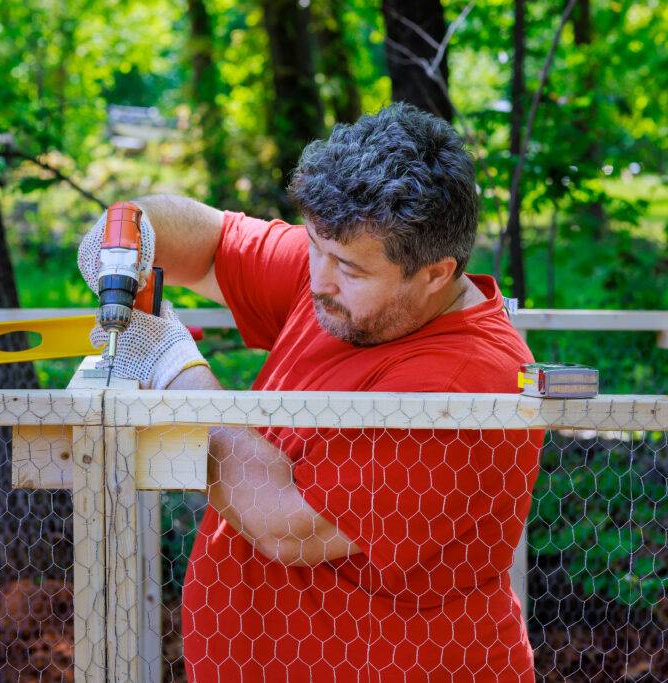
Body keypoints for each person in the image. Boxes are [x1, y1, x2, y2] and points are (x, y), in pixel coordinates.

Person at [77, 103, 542, 682]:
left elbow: (285, 525)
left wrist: (173, 369)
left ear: (434, 273)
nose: (317, 278)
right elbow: (212, 239)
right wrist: (128, 231)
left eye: (347, 267)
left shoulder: (469, 384)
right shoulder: (340, 266)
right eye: (314, 244)